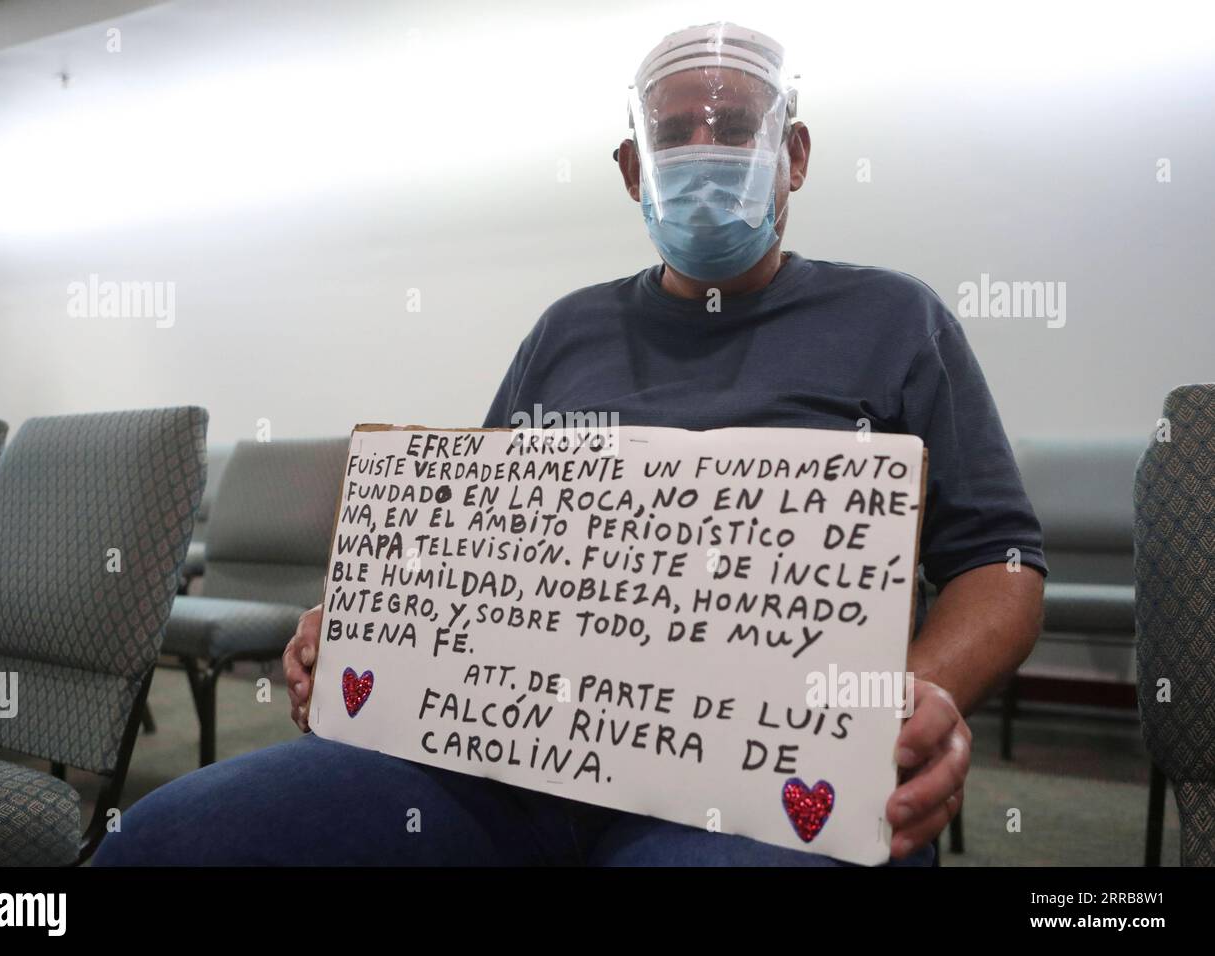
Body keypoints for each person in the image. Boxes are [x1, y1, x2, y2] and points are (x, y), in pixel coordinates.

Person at [94, 21, 1045, 866]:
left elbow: (999, 562)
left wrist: (913, 696)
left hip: (765, 779)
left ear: (793, 152)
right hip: (504, 761)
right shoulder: (566, 331)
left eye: (736, 126)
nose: (704, 149)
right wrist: (355, 624)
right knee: (169, 840)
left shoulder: (895, 318)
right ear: (633, 168)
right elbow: (473, 541)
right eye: (673, 133)